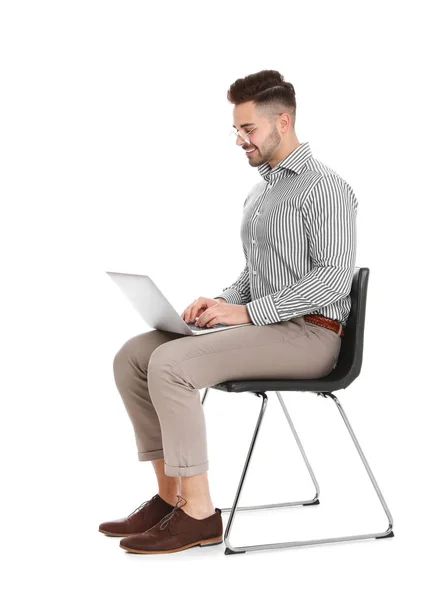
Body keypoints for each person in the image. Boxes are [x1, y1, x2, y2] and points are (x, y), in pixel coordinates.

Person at [99, 69, 358, 554]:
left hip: (312, 337)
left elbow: (332, 279)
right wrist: (221, 303)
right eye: (235, 130)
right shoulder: (263, 190)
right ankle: (170, 495)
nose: (239, 140)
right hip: (269, 328)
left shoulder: (324, 188)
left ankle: (199, 515)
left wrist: (248, 313)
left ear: (282, 122)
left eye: (248, 129)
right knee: (134, 355)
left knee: (171, 364)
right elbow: (256, 272)